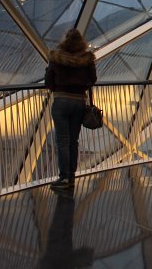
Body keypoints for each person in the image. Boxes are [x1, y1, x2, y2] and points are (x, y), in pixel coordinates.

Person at [45, 28, 97, 191]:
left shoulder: (56, 58)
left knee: (62, 141)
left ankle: (64, 178)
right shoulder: (87, 59)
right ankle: (71, 177)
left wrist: (57, 88)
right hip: (79, 102)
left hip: (61, 100)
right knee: (73, 141)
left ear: (65, 41)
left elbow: (48, 80)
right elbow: (92, 79)